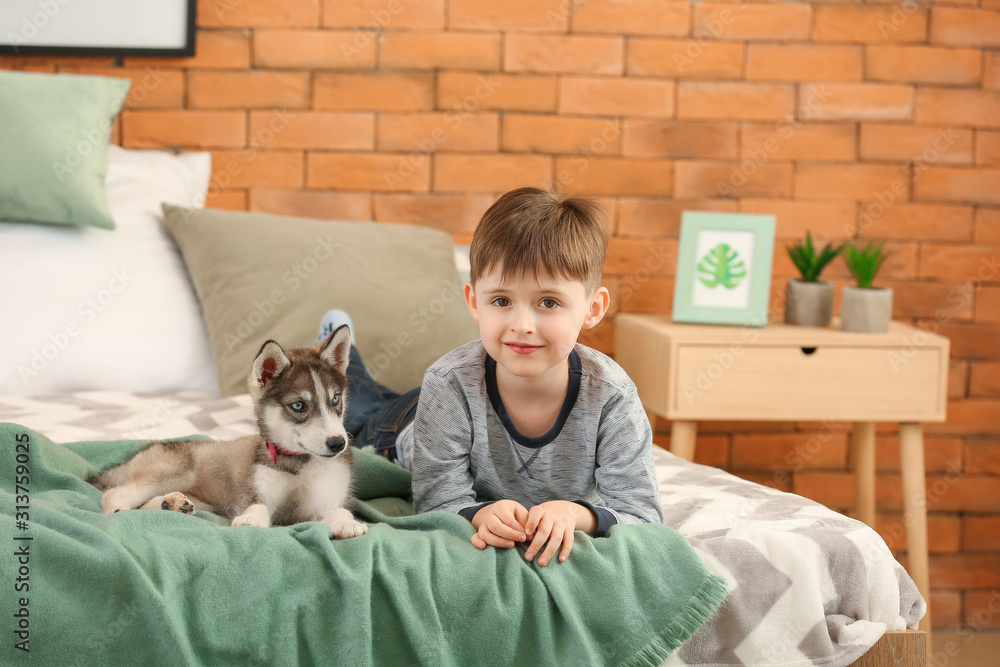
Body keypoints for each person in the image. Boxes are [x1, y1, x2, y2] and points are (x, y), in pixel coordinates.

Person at [317, 187, 663, 566]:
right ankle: (338, 352)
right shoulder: (447, 383)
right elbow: (437, 499)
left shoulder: (612, 396)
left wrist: (577, 514)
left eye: (549, 302)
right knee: (360, 408)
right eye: (501, 301)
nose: (522, 325)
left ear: (592, 308)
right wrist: (479, 513)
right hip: (404, 427)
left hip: (454, 403)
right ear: (473, 302)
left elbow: (641, 513)